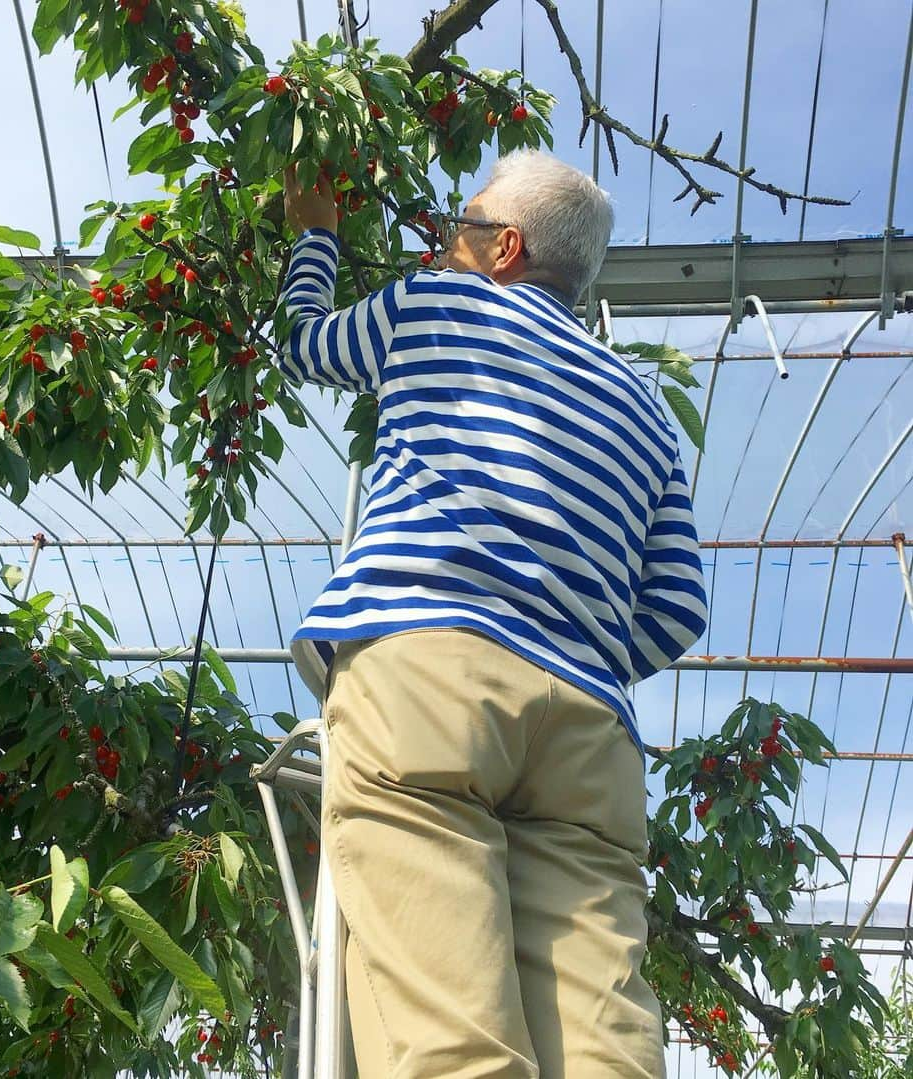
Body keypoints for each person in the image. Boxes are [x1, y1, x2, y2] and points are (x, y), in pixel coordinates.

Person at [275, 149, 707, 1078]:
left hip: (430, 675)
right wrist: (576, 641)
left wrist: (314, 231)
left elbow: (304, 341)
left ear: (504, 246)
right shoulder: (646, 409)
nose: (443, 240)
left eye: (458, 225)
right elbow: (677, 606)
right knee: (605, 1041)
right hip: (590, 735)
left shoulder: (436, 303)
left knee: (450, 1036)